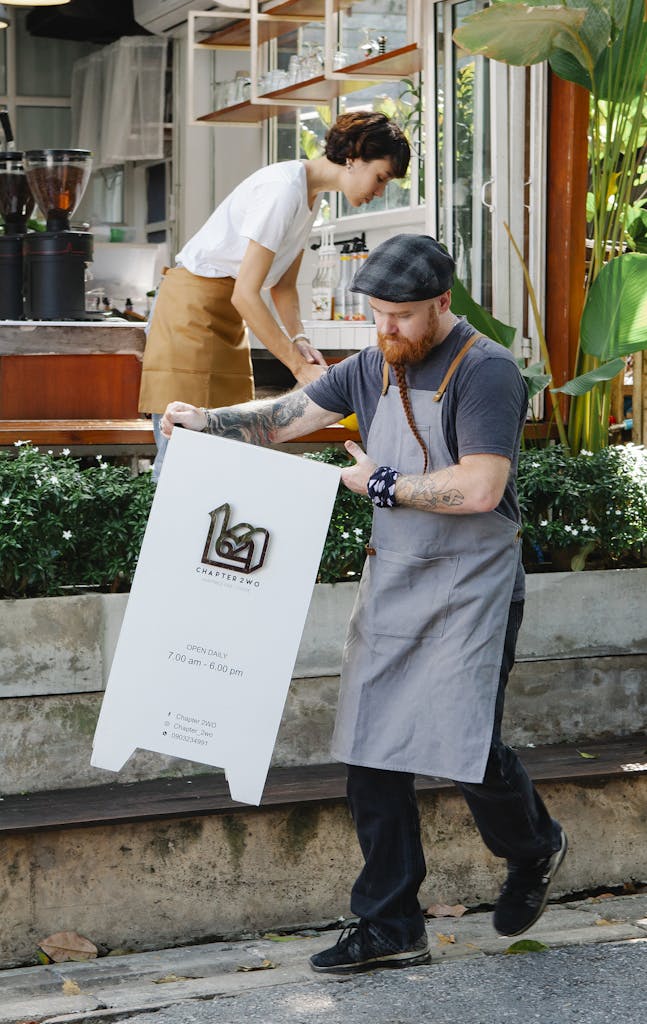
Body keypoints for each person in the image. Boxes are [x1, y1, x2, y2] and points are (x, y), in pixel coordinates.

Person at [160, 233, 567, 974]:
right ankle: (390, 923)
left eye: (401, 317)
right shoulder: (373, 363)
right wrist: (205, 421)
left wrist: (379, 485)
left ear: (441, 304)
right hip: (396, 573)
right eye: (377, 315)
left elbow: (478, 487)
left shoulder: (487, 371)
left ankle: (534, 847)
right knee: (369, 748)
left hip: (472, 581)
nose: (386, 330)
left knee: (463, 745)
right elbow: (285, 418)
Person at [140, 110, 410, 480]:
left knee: (225, 446)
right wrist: (298, 368)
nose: (379, 191)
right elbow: (246, 295)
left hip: (224, 317)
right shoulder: (283, 189)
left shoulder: (309, 198)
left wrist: (299, 340)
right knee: (182, 459)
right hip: (190, 312)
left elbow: (282, 286)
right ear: (353, 158)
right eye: (380, 178)